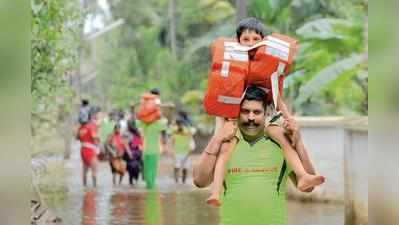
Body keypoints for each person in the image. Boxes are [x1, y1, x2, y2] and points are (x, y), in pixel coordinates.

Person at [200, 17, 325, 206]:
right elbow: (198, 180)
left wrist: (291, 123)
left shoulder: (267, 67)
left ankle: (302, 175)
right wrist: (219, 135)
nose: (250, 44)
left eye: (255, 40)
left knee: (279, 134)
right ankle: (216, 192)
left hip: (267, 118)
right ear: (237, 41)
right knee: (225, 148)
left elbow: (277, 99)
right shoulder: (233, 62)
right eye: (245, 40)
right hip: (231, 119)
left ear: (263, 41)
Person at [194, 86, 322, 225]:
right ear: (237, 112)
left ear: (265, 113)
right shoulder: (226, 144)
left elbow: (309, 188)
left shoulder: (281, 143)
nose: (251, 117)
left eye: (256, 112)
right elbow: (200, 181)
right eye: (245, 111)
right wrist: (216, 139)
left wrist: (299, 144)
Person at [137, 88, 168, 189]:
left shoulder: (143, 123)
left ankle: (148, 186)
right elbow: (164, 121)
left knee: (146, 169)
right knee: (153, 170)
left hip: (145, 149)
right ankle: (151, 188)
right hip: (155, 150)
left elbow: (138, 118)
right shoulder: (159, 123)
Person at [77, 106, 101, 187]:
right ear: (93, 115)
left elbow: (77, 138)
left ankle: (84, 187)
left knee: (85, 170)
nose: (98, 116)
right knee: (95, 171)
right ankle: (95, 188)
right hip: (90, 149)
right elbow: (94, 137)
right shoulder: (91, 125)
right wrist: (99, 139)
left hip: (83, 149)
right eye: (98, 114)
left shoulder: (82, 127)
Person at [171, 119, 196, 184]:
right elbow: (173, 142)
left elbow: (192, 131)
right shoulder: (175, 132)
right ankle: (176, 180)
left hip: (186, 152)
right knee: (177, 167)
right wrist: (172, 151)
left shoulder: (187, 132)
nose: (180, 126)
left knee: (185, 168)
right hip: (177, 152)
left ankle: (183, 181)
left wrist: (188, 129)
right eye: (179, 125)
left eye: (181, 125)